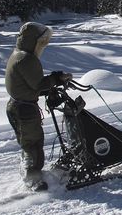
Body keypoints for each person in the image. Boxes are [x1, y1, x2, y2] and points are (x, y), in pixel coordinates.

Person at [5, 22, 72, 190]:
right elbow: (38, 84)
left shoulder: (18, 54)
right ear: (33, 40)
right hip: (24, 109)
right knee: (32, 142)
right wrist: (56, 79)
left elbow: (29, 84)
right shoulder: (27, 59)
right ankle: (32, 179)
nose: (44, 45)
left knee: (30, 141)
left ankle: (32, 173)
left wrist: (53, 80)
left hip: (18, 105)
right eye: (42, 42)